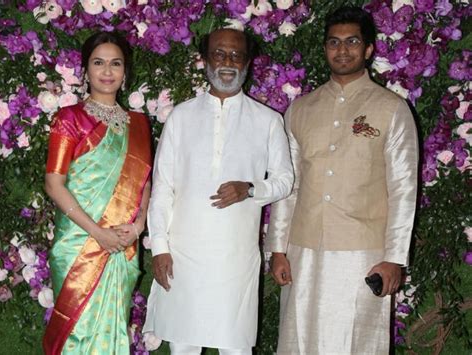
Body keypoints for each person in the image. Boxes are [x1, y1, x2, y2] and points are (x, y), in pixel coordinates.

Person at [266, 6, 419, 354]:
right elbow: (288, 185)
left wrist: (394, 258)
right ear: (325, 48)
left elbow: (403, 189)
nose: (342, 50)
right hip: (302, 250)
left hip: (362, 255)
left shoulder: (391, 109)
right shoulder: (301, 109)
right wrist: (278, 249)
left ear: (368, 49)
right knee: (299, 340)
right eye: (334, 42)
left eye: (352, 42)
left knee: (356, 343)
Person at [143, 28, 293, 354]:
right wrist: (159, 248)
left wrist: (250, 189)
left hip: (235, 261)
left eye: (236, 55)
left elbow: (285, 180)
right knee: (182, 345)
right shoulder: (181, 117)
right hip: (182, 256)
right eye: (219, 54)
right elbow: (163, 189)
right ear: (206, 60)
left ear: (248, 63)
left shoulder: (268, 120)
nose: (228, 62)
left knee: (235, 347)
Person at [42, 32, 152, 354]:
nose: (107, 71)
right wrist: (97, 233)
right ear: (86, 71)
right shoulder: (70, 119)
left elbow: (144, 181)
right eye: (99, 63)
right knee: (75, 333)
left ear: (125, 71)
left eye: (115, 63)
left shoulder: (139, 124)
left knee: (112, 326)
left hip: (122, 241)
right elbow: (53, 183)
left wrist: (139, 225)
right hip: (79, 243)